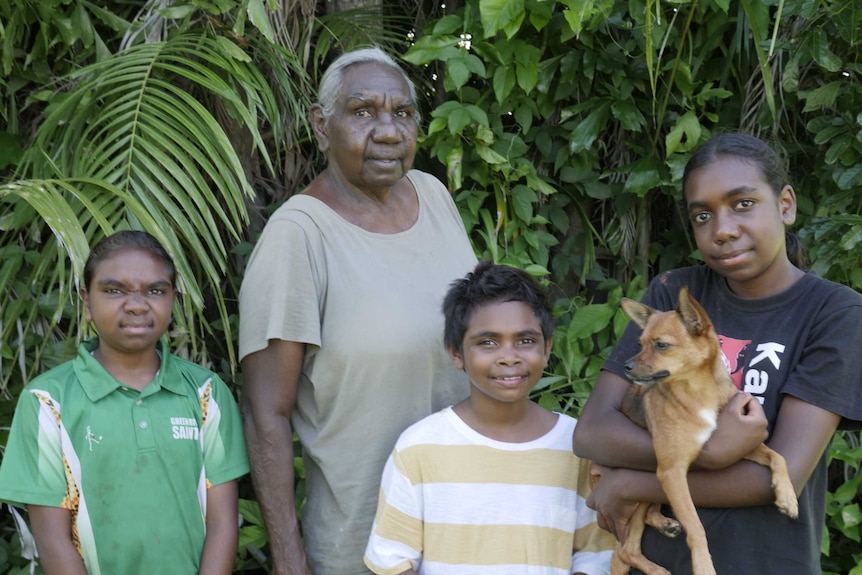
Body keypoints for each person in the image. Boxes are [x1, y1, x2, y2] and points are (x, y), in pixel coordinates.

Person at [572, 132, 862, 574]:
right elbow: (592, 431)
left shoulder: (835, 312)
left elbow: (774, 478)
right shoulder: (672, 292)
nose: (722, 230)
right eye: (702, 215)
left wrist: (631, 481)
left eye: (743, 203)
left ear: (785, 205)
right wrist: (707, 450)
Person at [239, 46, 477, 575]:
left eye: (403, 113)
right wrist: (289, 562)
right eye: (363, 112)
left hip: (467, 525)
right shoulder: (297, 236)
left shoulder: (434, 196)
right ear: (322, 127)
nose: (389, 131)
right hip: (361, 546)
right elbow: (264, 415)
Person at [0, 230, 249, 575]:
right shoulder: (47, 403)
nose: (136, 304)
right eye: (114, 290)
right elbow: (53, 540)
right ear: (86, 302)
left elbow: (222, 523)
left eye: (155, 291)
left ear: (173, 300)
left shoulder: (205, 392)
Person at [363, 262, 615, 575]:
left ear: (548, 348)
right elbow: (392, 559)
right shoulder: (420, 448)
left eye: (526, 340)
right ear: (456, 353)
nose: (509, 356)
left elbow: (597, 552)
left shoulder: (576, 445)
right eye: (488, 342)